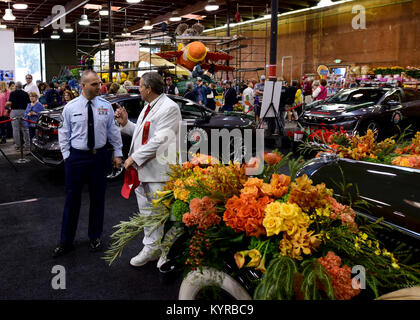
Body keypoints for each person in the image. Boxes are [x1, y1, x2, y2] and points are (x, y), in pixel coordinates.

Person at [114, 72, 182, 268]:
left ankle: (167, 252)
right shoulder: (148, 107)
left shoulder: (170, 107)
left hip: (159, 172)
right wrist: (126, 123)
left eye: (141, 86)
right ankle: (150, 247)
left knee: (164, 215)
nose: (139, 89)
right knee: (147, 215)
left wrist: (134, 157)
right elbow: (143, 134)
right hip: (143, 172)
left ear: (149, 89)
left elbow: (160, 140)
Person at [54, 70, 123, 258]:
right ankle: (66, 241)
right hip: (76, 158)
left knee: (98, 199)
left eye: (99, 83)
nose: (99, 87)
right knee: (72, 200)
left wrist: (117, 153)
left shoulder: (105, 106)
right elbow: (63, 133)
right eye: (94, 84)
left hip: (98, 158)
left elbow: (113, 131)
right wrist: (67, 156)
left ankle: (95, 236)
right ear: (83, 85)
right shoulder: (70, 107)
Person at [6, 82, 31, 150]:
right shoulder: (25, 93)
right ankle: (27, 145)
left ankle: (18, 145)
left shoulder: (12, 93)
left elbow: (9, 103)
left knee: (16, 129)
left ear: (16, 86)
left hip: (14, 111)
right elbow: (29, 103)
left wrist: (6, 107)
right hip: (24, 111)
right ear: (21, 86)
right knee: (25, 129)